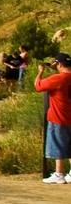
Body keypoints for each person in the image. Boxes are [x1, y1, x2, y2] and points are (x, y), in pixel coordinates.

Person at [36, 53, 71, 184]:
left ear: (60, 65)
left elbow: (38, 86)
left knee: (57, 145)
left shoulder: (57, 79)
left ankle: (59, 173)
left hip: (58, 117)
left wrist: (40, 72)